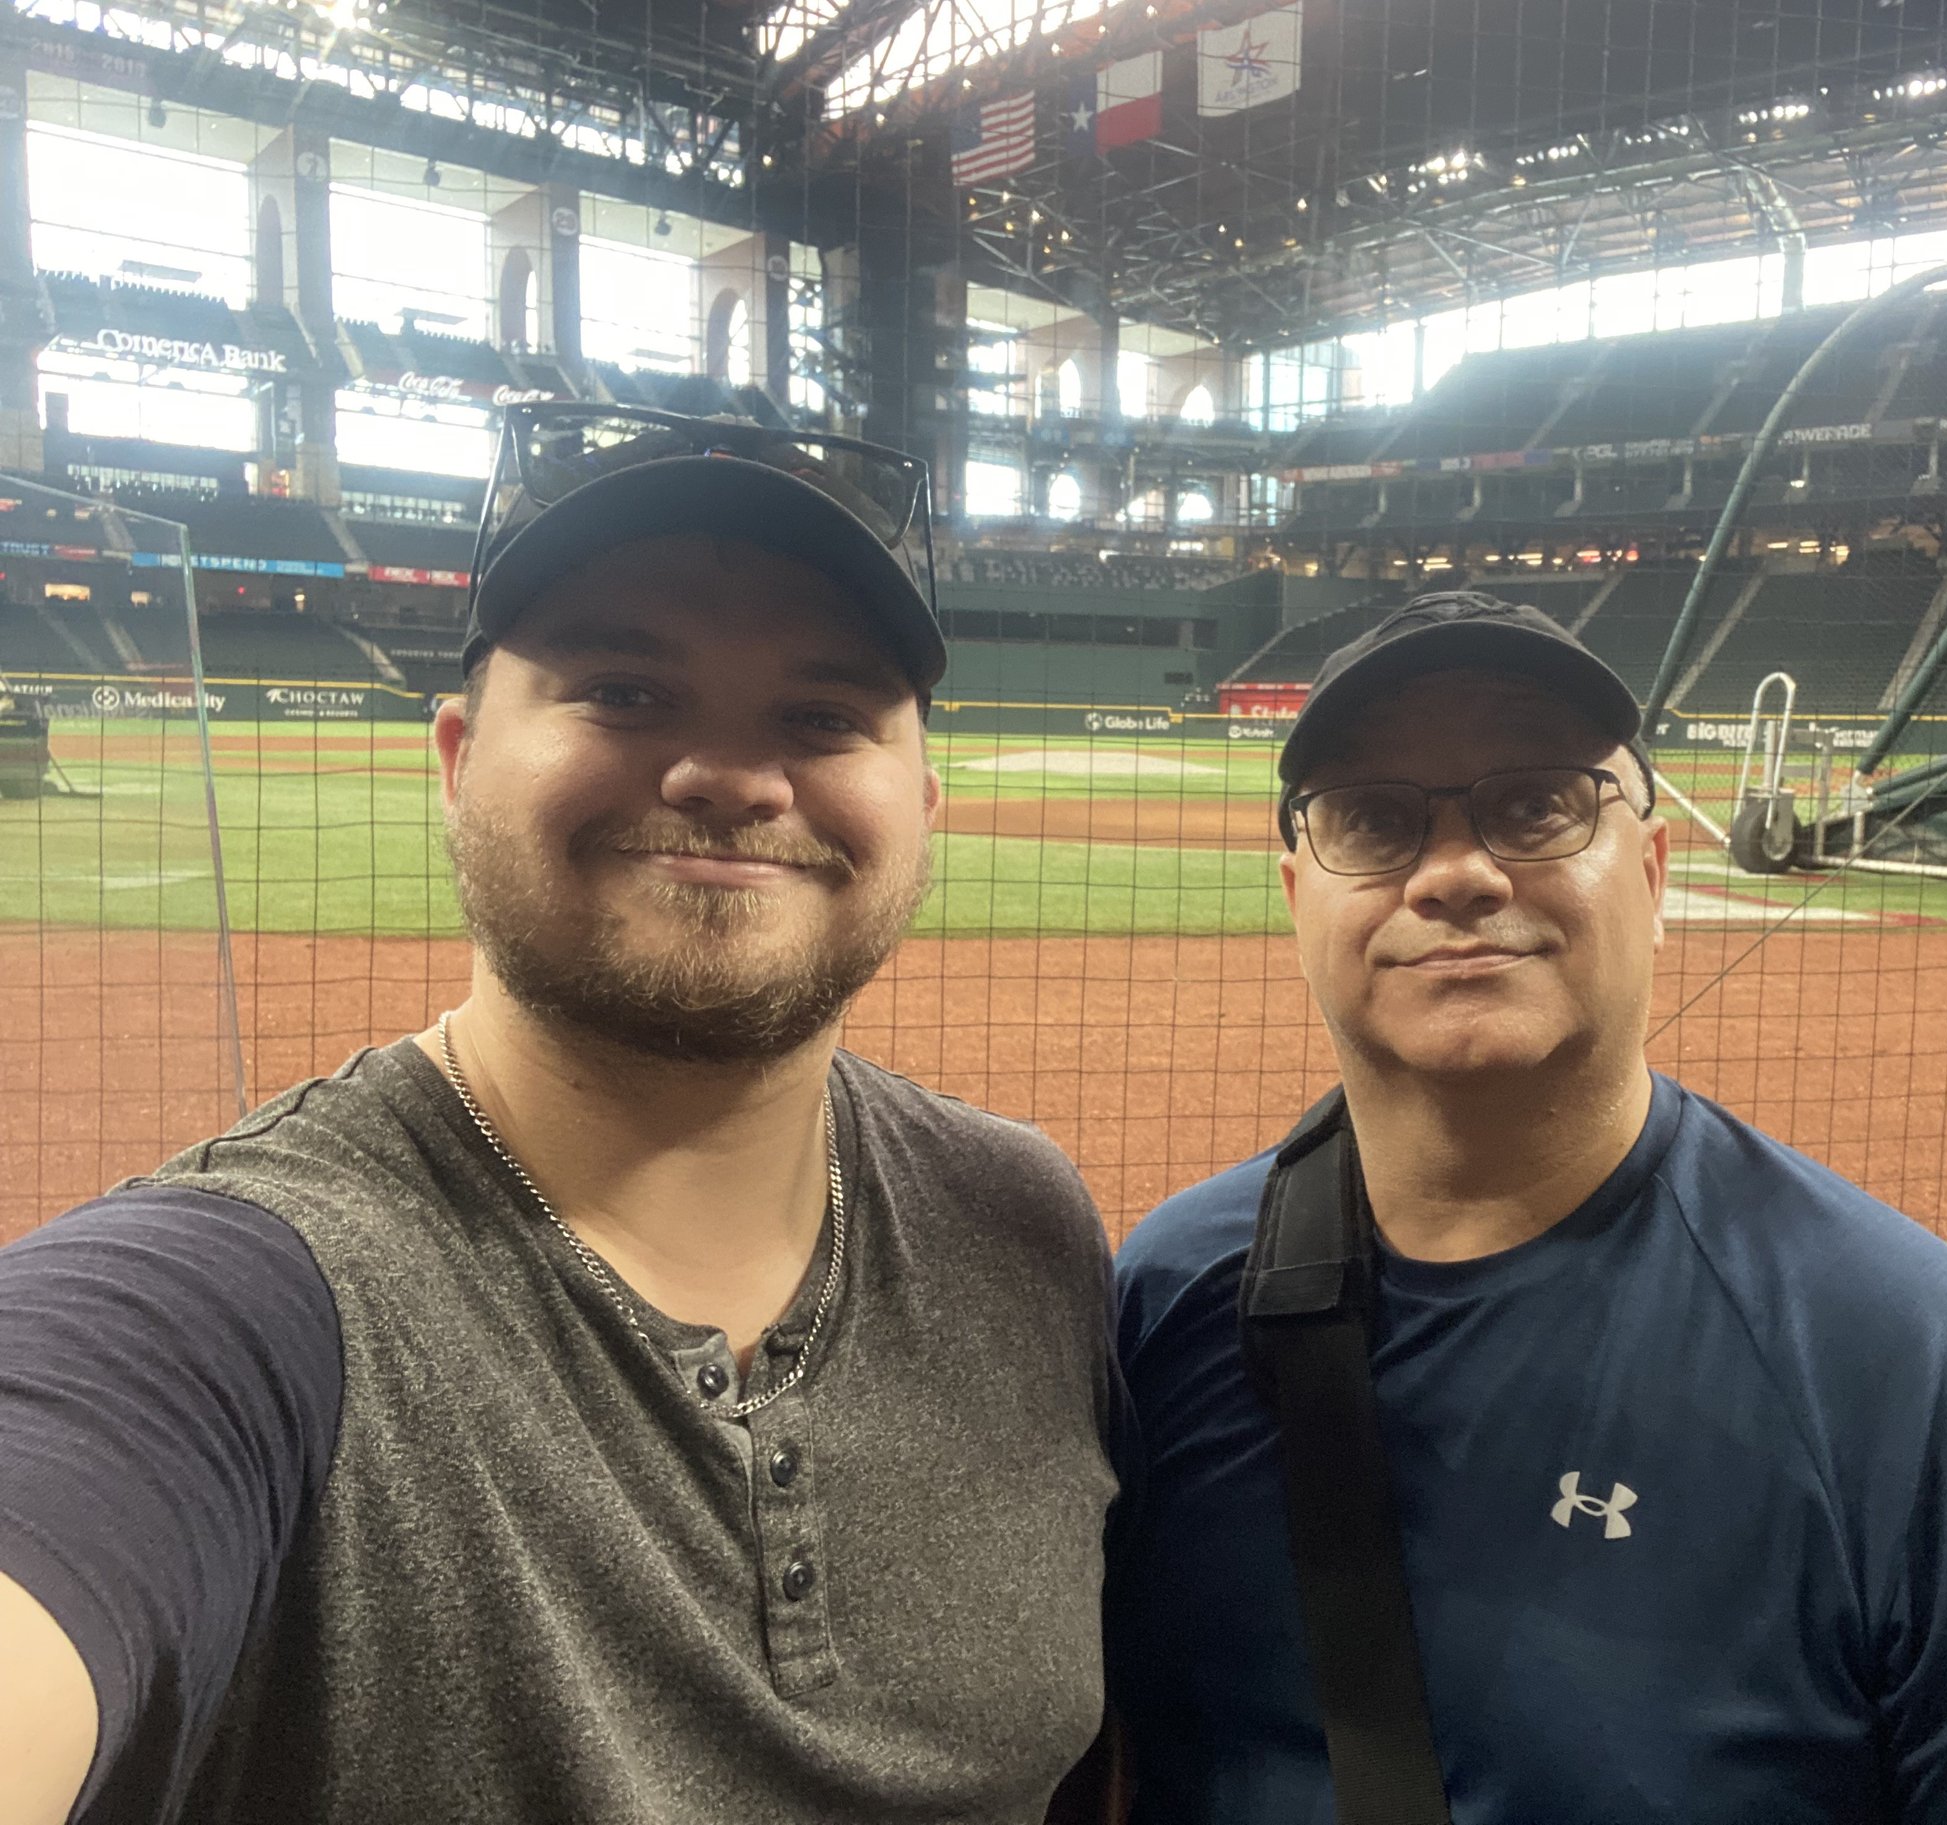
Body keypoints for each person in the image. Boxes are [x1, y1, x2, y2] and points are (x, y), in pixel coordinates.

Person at [0, 407, 1116, 1824]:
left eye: (824, 715)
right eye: (624, 691)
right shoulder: (236, 1305)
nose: (730, 774)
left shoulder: (1025, 1226)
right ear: (459, 757)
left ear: (924, 806)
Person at [1105, 590, 1947, 1822]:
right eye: (1375, 820)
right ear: (1297, 896)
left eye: (1538, 802)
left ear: (1650, 872)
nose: (1456, 872)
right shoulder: (1164, 1305)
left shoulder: (1920, 1383)